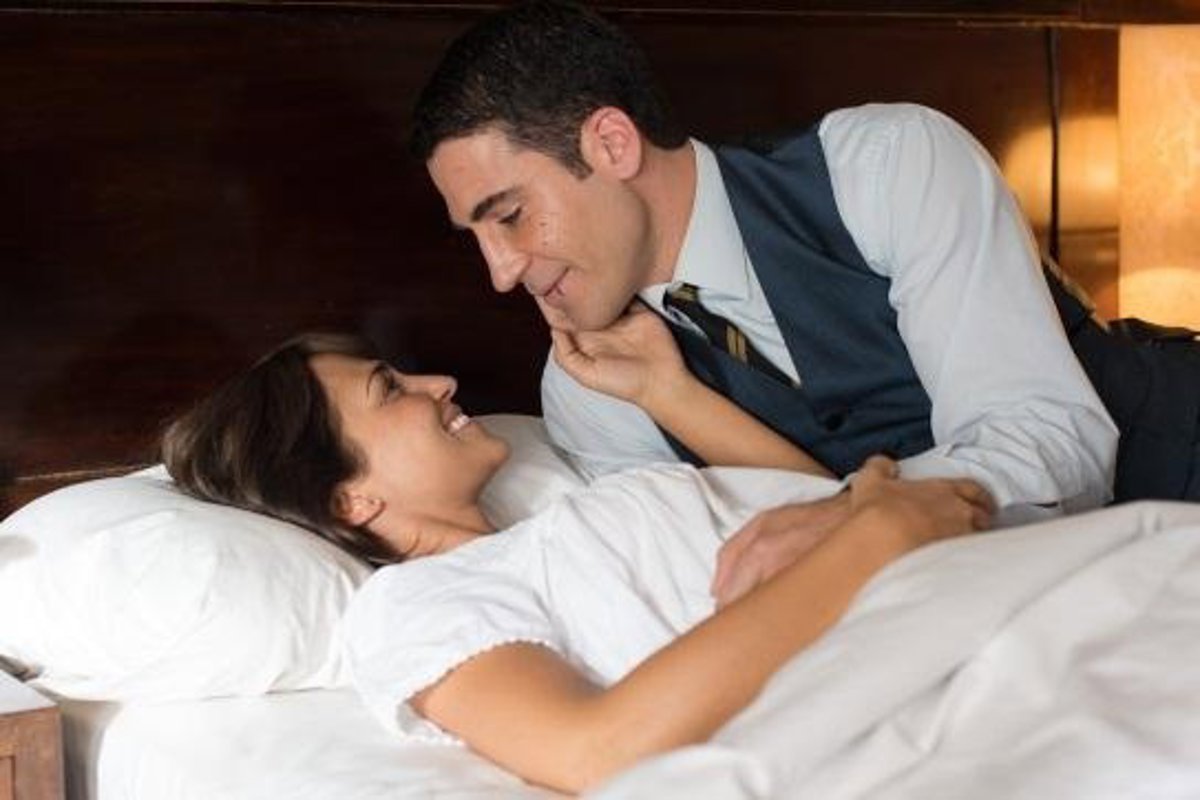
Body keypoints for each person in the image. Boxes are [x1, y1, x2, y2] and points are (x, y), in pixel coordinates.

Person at [409, 2, 1129, 557]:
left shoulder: (884, 166)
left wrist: (850, 522)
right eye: (475, 237)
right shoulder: (589, 386)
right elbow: (699, 578)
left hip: (1152, 502)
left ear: (613, 144)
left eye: (510, 216)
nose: (500, 272)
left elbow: (1051, 442)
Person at [161, 332, 993, 793]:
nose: (440, 381)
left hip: (962, 603)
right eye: (390, 389)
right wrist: (871, 536)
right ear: (350, 501)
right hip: (921, 705)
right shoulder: (412, 607)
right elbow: (595, 749)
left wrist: (669, 393)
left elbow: (802, 505)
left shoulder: (585, 510)